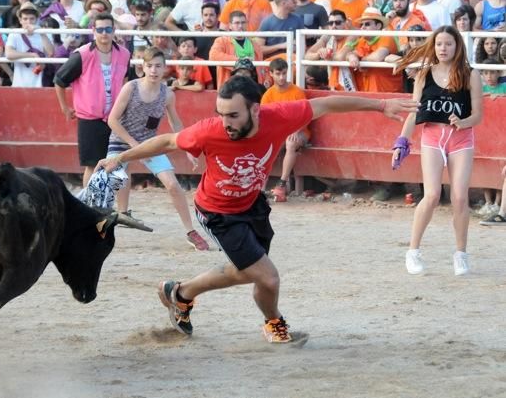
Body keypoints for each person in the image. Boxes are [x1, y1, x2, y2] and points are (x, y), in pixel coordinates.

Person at [96, 75, 417, 342]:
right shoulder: (211, 129)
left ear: (256, 109)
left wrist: (382, 105)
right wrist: (120, 158)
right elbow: (166, 142)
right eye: (221, 114)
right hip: (216, 212)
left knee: (253, 274)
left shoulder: (279, 117)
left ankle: (180, 292)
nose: (226, 123)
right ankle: (274, 324)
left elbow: (327, 104)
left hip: (253, 205)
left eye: (233, 115)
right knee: (268, 277)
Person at [393, 26, 483, 276]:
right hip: (432, 137)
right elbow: (414, 112)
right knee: (431, 195)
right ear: (433, 46)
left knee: (459, 197)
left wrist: (462, 122)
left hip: (461, 139)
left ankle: (461, 254)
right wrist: (402, 141)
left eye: (448, 44)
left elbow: (478, 115)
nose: (443, 48)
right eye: (439, 44)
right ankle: (413, 251)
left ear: (458, 46)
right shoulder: (424, 75)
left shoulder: (470, 75)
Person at [106, 47, 209, 251]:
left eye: (158, 66)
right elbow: (112, 120)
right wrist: (134, 145)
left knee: (172, 185)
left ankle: (190, 231)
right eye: (150, 66)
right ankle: (119, 214)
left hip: (149, 144)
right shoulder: (131, 87)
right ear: (142, 67)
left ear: (165, 69)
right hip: (121, 141)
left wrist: (188, 148)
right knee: (111, 181)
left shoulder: (167, 94)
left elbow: (176, 123)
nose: (153, 70)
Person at [54, 12, 131, 188]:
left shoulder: (124, 54)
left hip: (115, 117)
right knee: (92, 165)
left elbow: (127, 80)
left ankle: (115, 207)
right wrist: (65, 108)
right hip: (90, 118)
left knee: (118, 163)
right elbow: (59, 80)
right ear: (93, 30)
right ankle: (89, 204)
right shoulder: (81, 55)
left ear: (114, 30)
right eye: (101, 29)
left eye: (108, 29)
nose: (104, 33)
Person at [263, 58, 309, 201]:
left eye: (284, 73)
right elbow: (265, 119)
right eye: (278, 74)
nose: (282, 77)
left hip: (300, 131)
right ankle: (260, 188)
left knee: (290, 143)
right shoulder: (268, 95)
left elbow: (306, 117)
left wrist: (295, 131)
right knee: (268, 147)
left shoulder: (297, 92)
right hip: (280, 133)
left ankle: (281, 184)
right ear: (271, 74)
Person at [5, 2, 55, 88]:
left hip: (40, 84)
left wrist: (41, 33)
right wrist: (32, 55)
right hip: (19, 85)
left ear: (37, 19)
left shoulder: (44, 34)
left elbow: (51, 52)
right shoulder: (14, 33)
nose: (28, 22)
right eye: (25, 19)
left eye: (32, 19)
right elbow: (9, 54)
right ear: (20, 20)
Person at [209, 11, 264, 88]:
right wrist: (240, 60)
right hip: (230, 88)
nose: (240, 26)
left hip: (252, 87)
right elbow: (213, 56)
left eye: (243, 22)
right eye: (237, 23)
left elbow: (262, 68)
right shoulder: (221, 41)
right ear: (230, 26)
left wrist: (267, 80)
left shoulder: (255, 44)